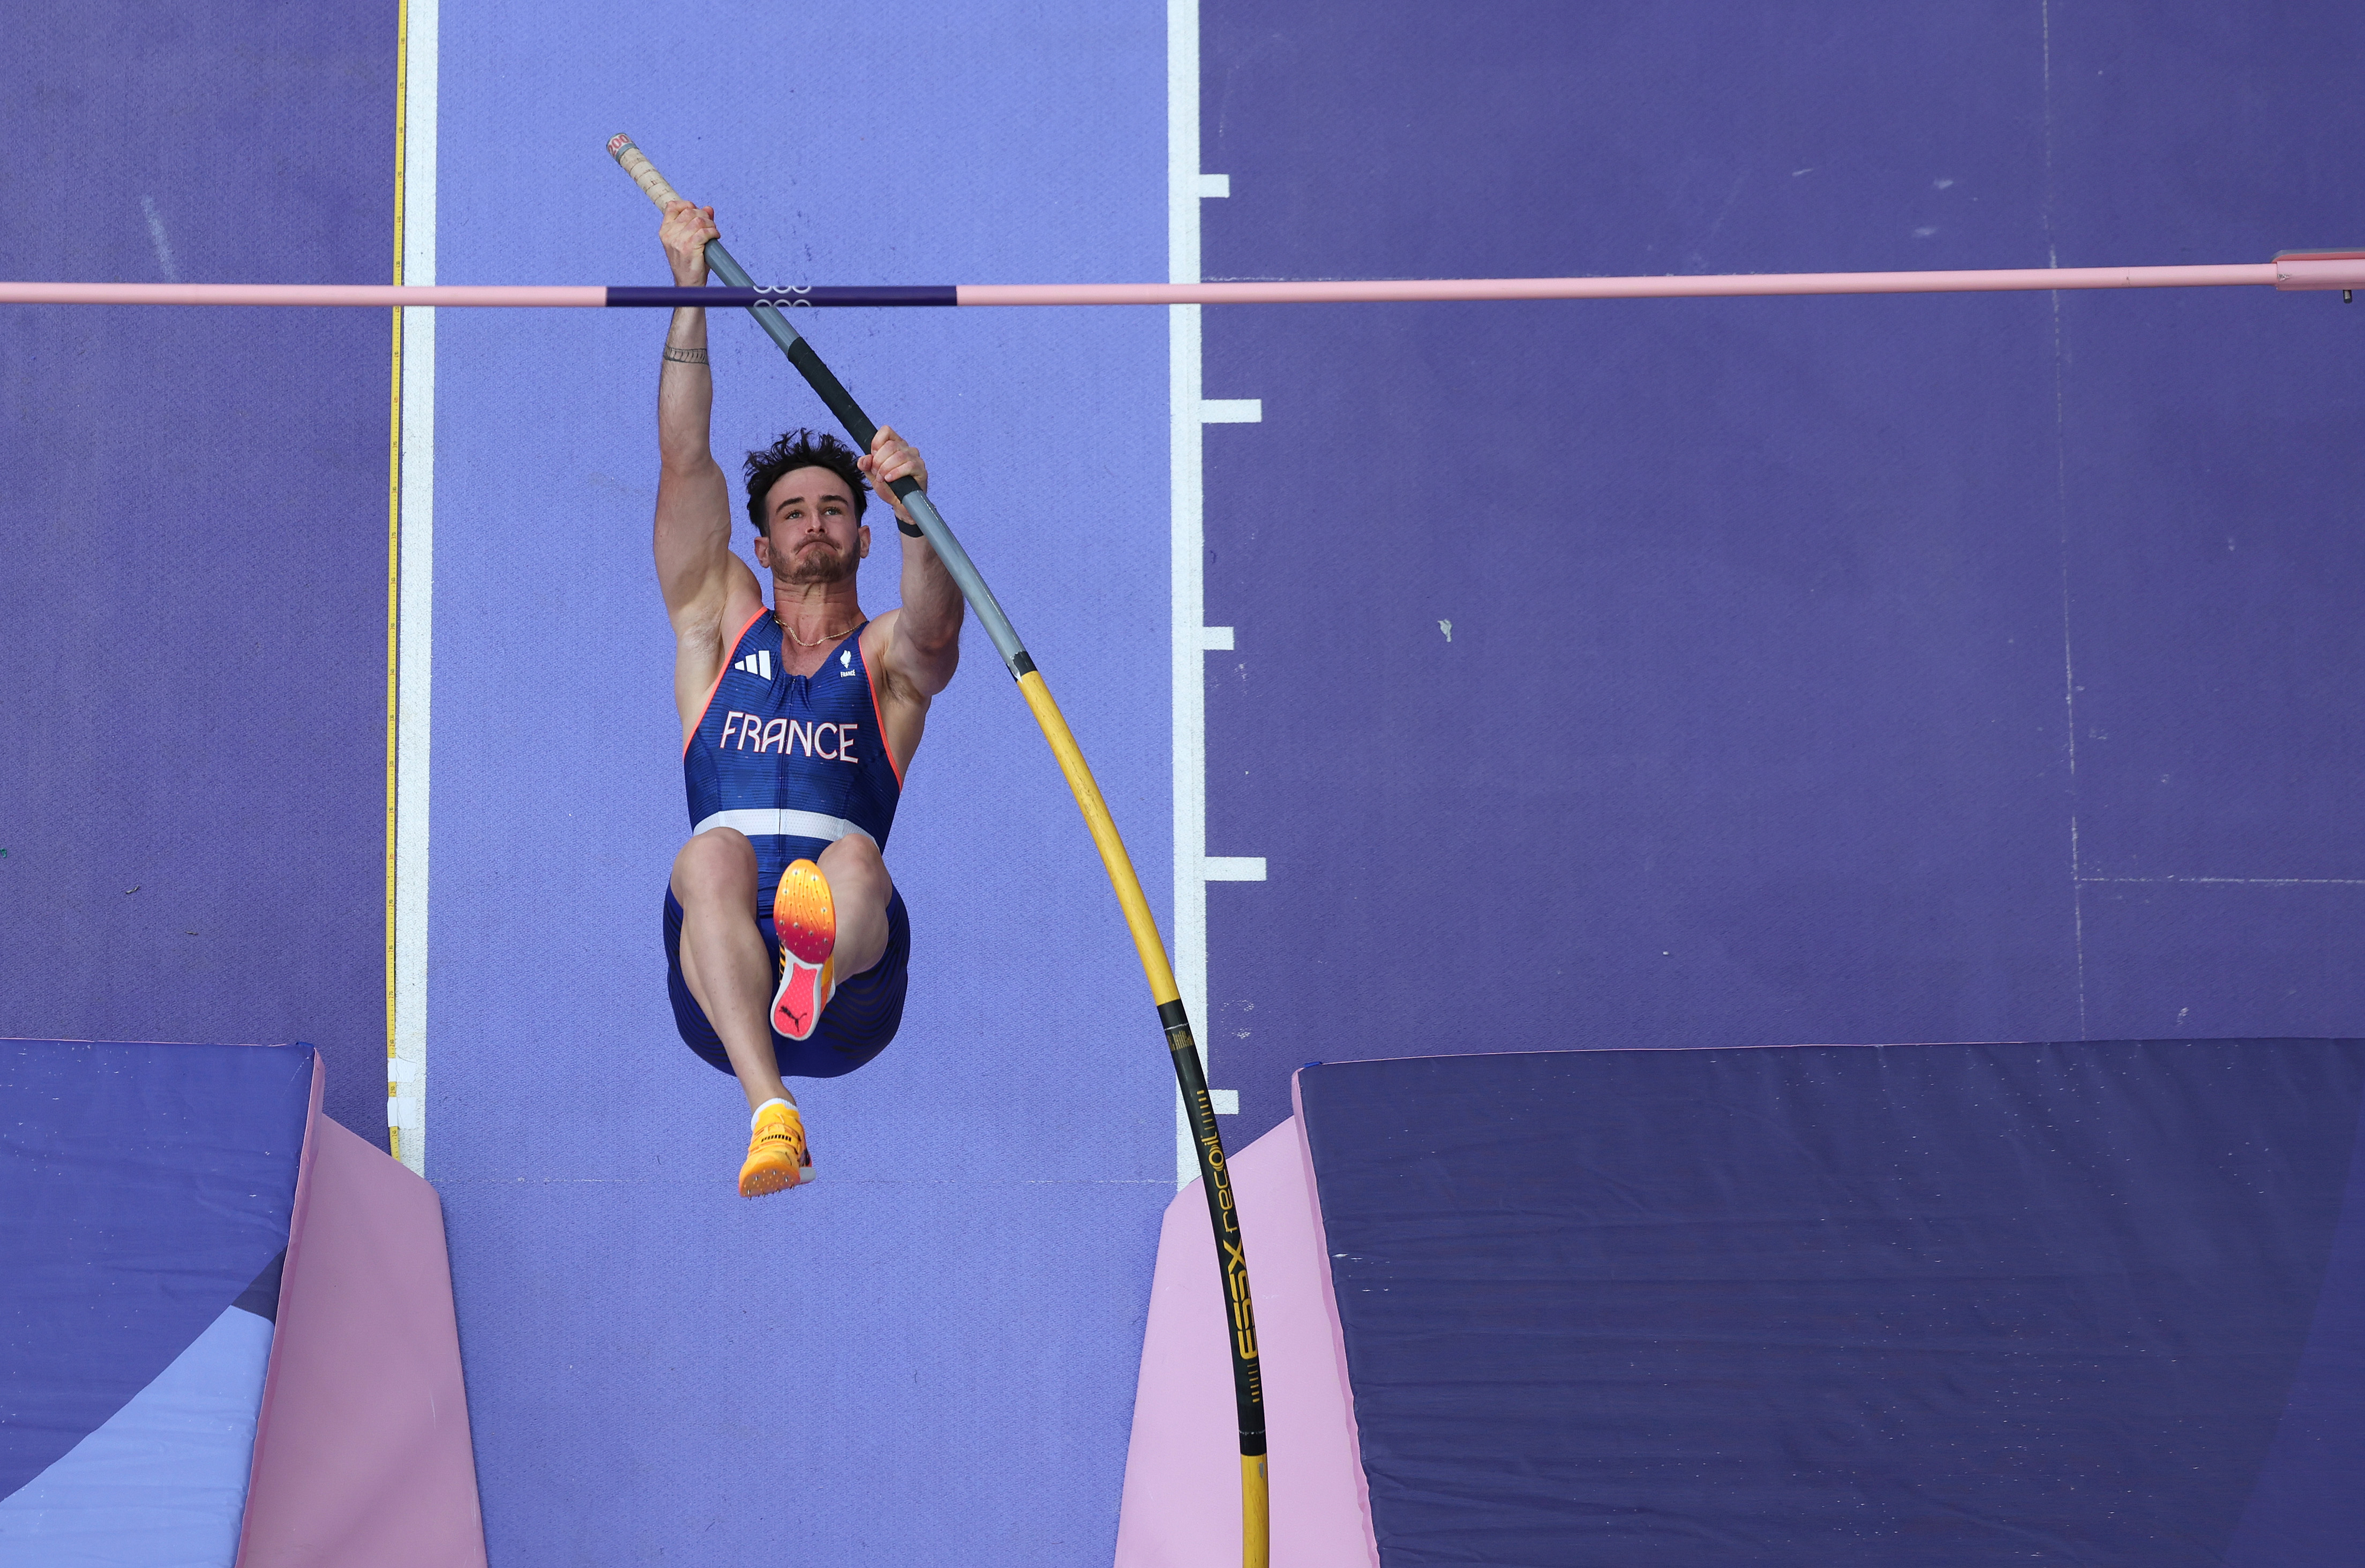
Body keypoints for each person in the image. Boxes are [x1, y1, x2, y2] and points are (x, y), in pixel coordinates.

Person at [651, 197, 962, 1198]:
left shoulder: (885, 663)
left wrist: (919, 511)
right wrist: (689, 290)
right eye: (793, 512)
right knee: (712, 854)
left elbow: (934, 630)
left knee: (851, 859)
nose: (815, 521)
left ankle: (812, 969)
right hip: (720, 980)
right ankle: (770, 1113)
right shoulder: (718, 624)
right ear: (762, 545)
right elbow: (685, 461)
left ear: (863, 535)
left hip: (853, 995)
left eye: (837, 507)